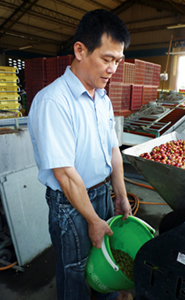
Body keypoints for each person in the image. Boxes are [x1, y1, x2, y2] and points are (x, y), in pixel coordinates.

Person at [28, 9, 133, 300]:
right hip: (70, 203)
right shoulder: (54, 101)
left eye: (117, 61)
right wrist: (92, 220)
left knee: (107, 261)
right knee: (74, 269)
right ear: (80, 50)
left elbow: (114, 150)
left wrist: (121, 194)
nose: (113, 68)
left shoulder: (103, 98)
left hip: (101, 195)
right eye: (106, 59)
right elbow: (64, 174)